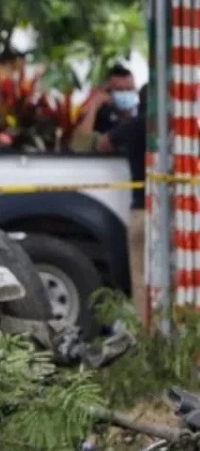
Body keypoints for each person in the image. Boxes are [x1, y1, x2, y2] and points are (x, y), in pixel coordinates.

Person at [72, 82, 148, 328]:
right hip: (177, 216)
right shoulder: (183, 129)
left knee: (141, 281)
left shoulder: (134, 126)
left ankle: (147, 335)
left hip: (141, 212)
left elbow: (88, 144)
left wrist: (94, 107)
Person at [70, 64, 139, 151]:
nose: (125, 94)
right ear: (108, 92)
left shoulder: (142, 115)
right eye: (119, 90)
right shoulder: (100, 116)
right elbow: (79, 146)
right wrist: (94, 105)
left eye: (129, 89)